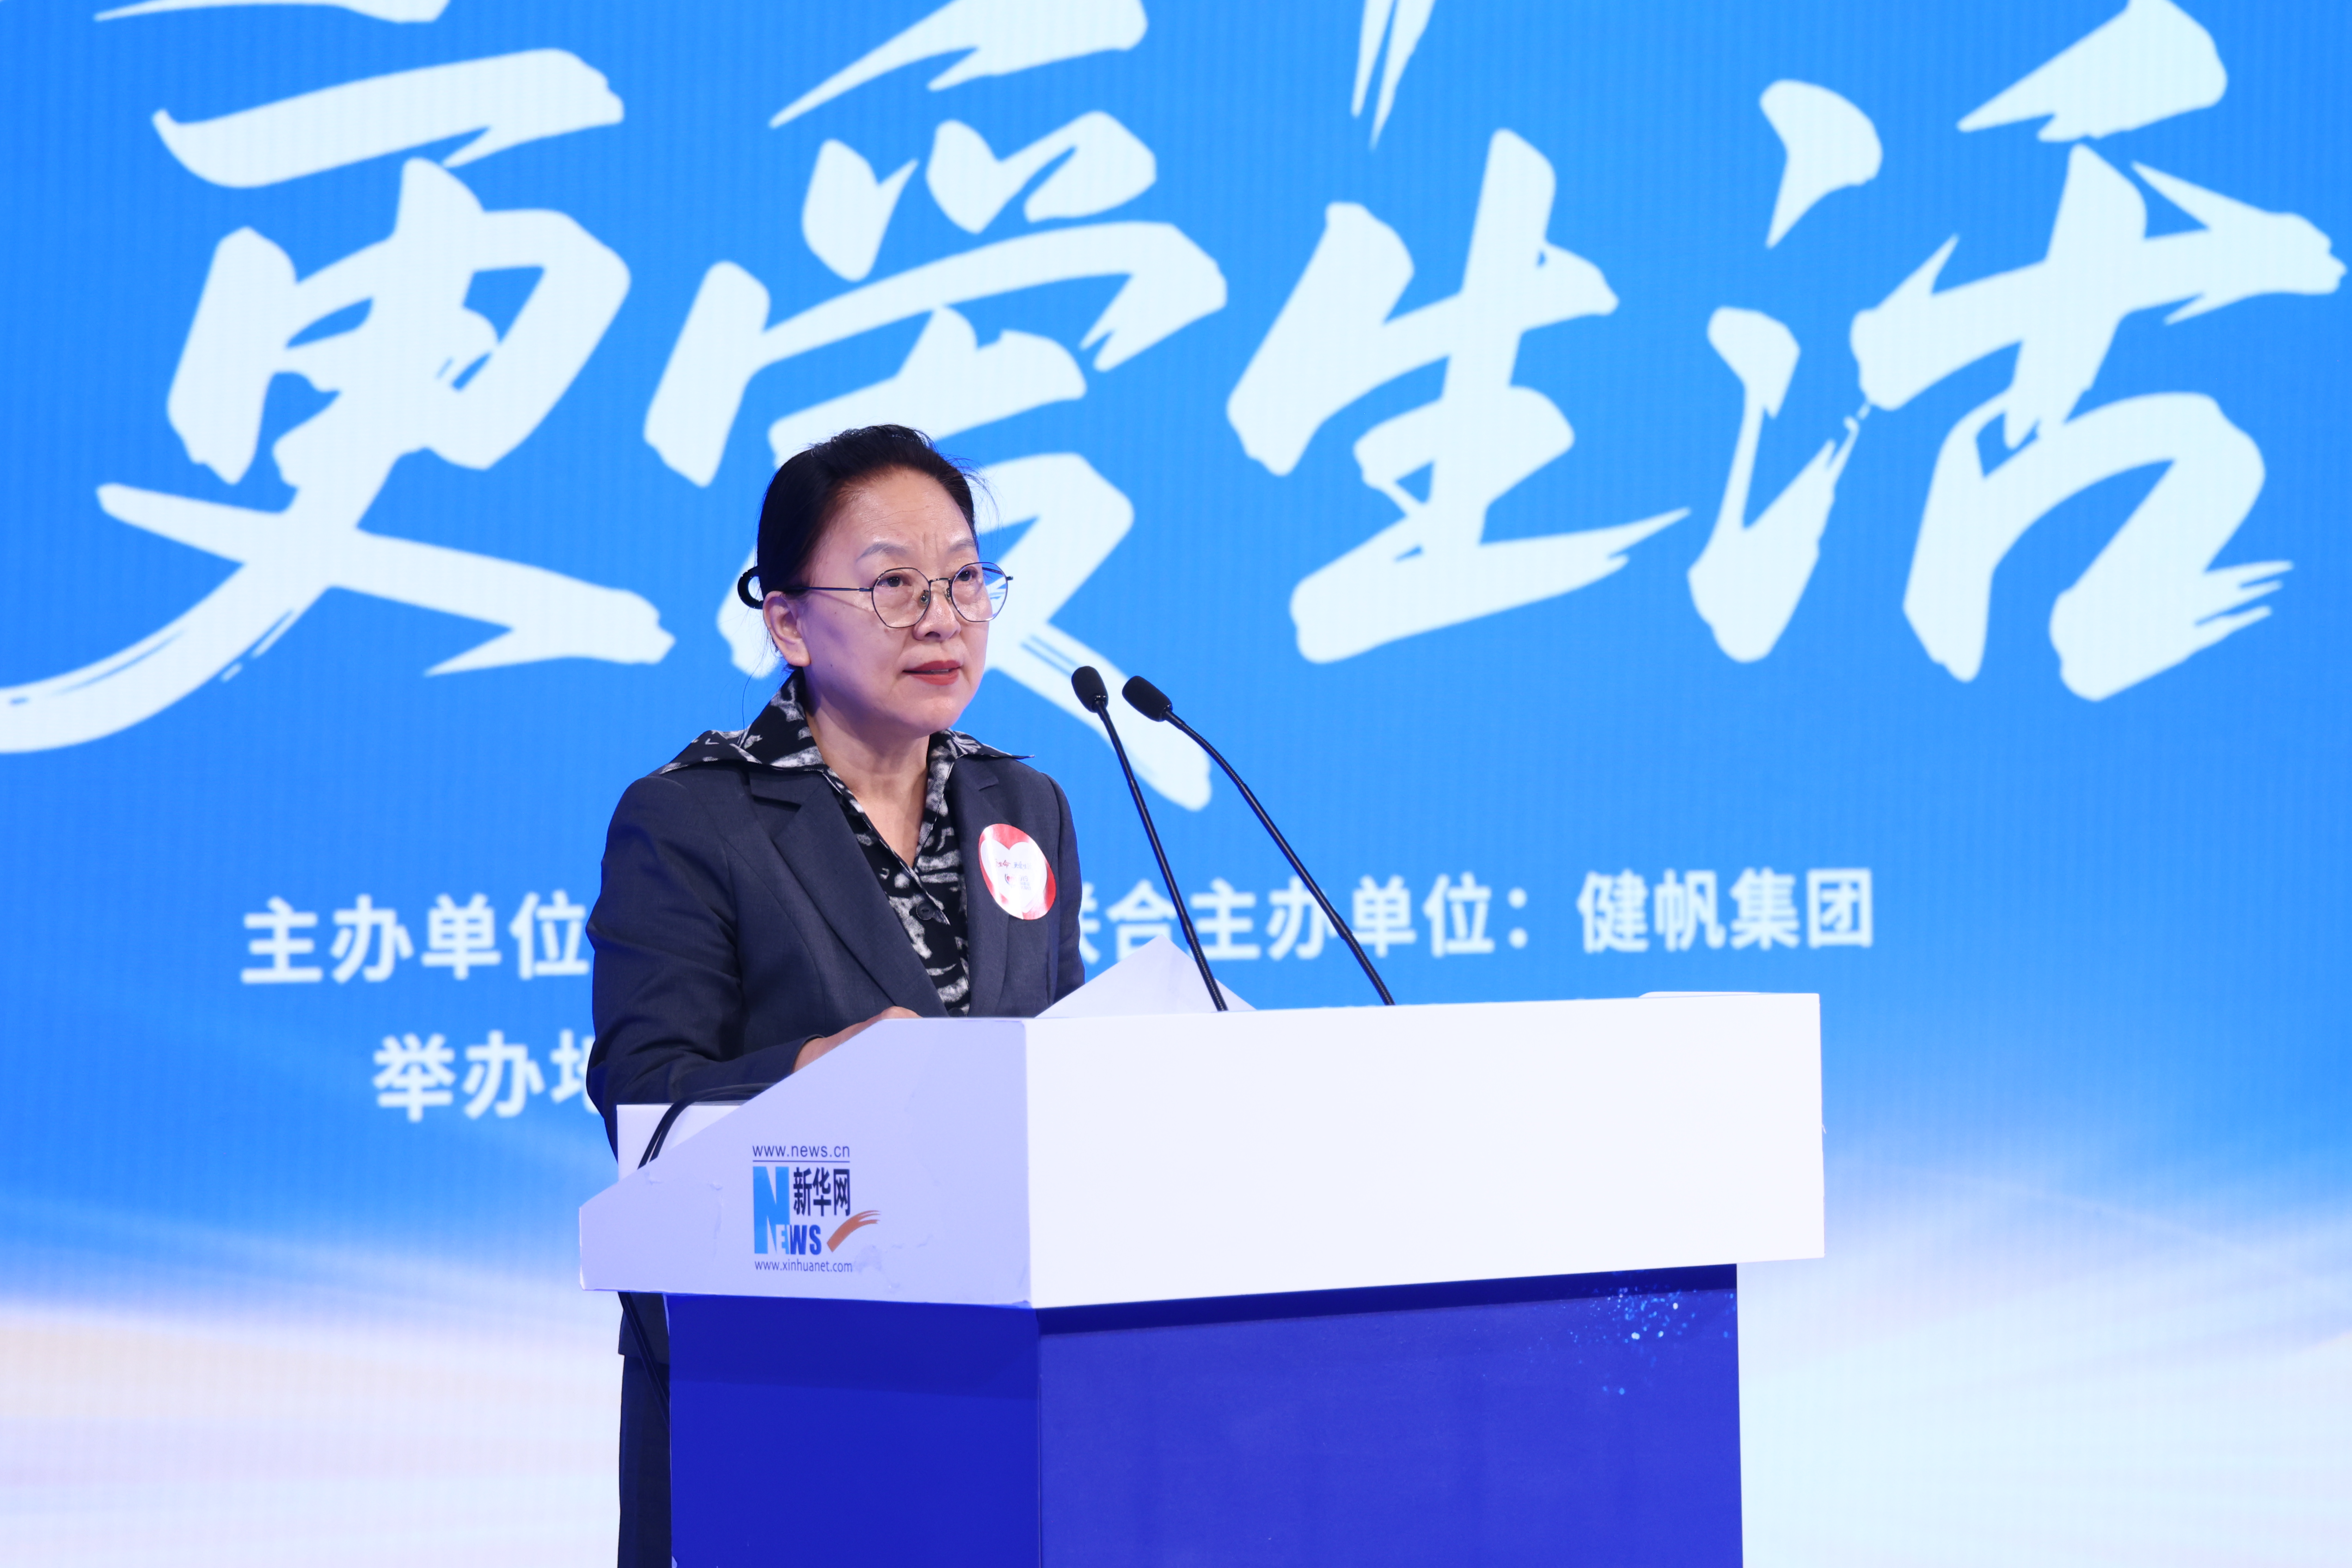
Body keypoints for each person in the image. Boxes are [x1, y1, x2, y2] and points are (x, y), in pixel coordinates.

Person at [584, 425, 1087, 1567]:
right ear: (790, 623)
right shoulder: (694, 815)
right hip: (778, 1370)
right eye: (894, 585)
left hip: (1003, 1364)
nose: (943, 617)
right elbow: (643, 1093)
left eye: (965, 579)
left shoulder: (1026, 802)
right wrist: (818, 1072)